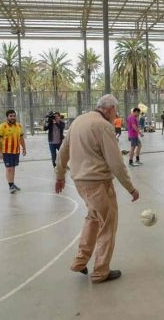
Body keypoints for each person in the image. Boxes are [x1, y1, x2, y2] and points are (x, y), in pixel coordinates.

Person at [55, 94, 139, 284]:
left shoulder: (79, 121)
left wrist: (60, 175)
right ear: (109, 109)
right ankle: (101, 271)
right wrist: (131, 188)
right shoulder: (103, 126)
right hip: (98, 183)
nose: (116, 115)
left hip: (80, 182)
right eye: (115, 111)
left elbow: (63, 151)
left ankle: (79, 262)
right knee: (107, 225)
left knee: (93, 218)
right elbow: (115, 162)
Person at [0, 110, 27, 194]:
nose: (13, 117)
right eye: (11, 116)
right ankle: (10, 186)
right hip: (6, 152)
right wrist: (0, 152)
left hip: (16, 151)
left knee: (13, 168)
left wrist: (24, 148)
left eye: (14, 116)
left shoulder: (19, 126)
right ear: (7, 117)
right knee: (9, 168)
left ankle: (12, 184)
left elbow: (21, 139)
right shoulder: (3, 126)